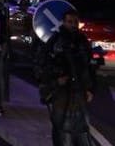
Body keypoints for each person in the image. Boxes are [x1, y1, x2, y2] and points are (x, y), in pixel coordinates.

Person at [35, 8, 96, 146]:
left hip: (79, 90)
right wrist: (56, 80)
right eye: (70, 22)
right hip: (61, 91)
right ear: (64, 22)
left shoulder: (82, 41)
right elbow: (42, 64)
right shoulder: (55, 41)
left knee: (81, 127)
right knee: (60, 127)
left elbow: (89, 66)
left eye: (75, 22)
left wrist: (91, 89)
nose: (73, 25)